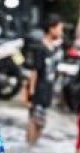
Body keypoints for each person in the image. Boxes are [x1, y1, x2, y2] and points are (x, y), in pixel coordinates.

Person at [26, 15, 64, 145]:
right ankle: (30, 145)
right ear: (51, 29)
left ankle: (33, 146)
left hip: (47, 90)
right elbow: (34, 71)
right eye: (59, 29)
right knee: (34, 120)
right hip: (39, 90)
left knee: (41, 122)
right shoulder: (41, 48)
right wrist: (30, 93)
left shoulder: (54, 49)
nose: (61, 32)